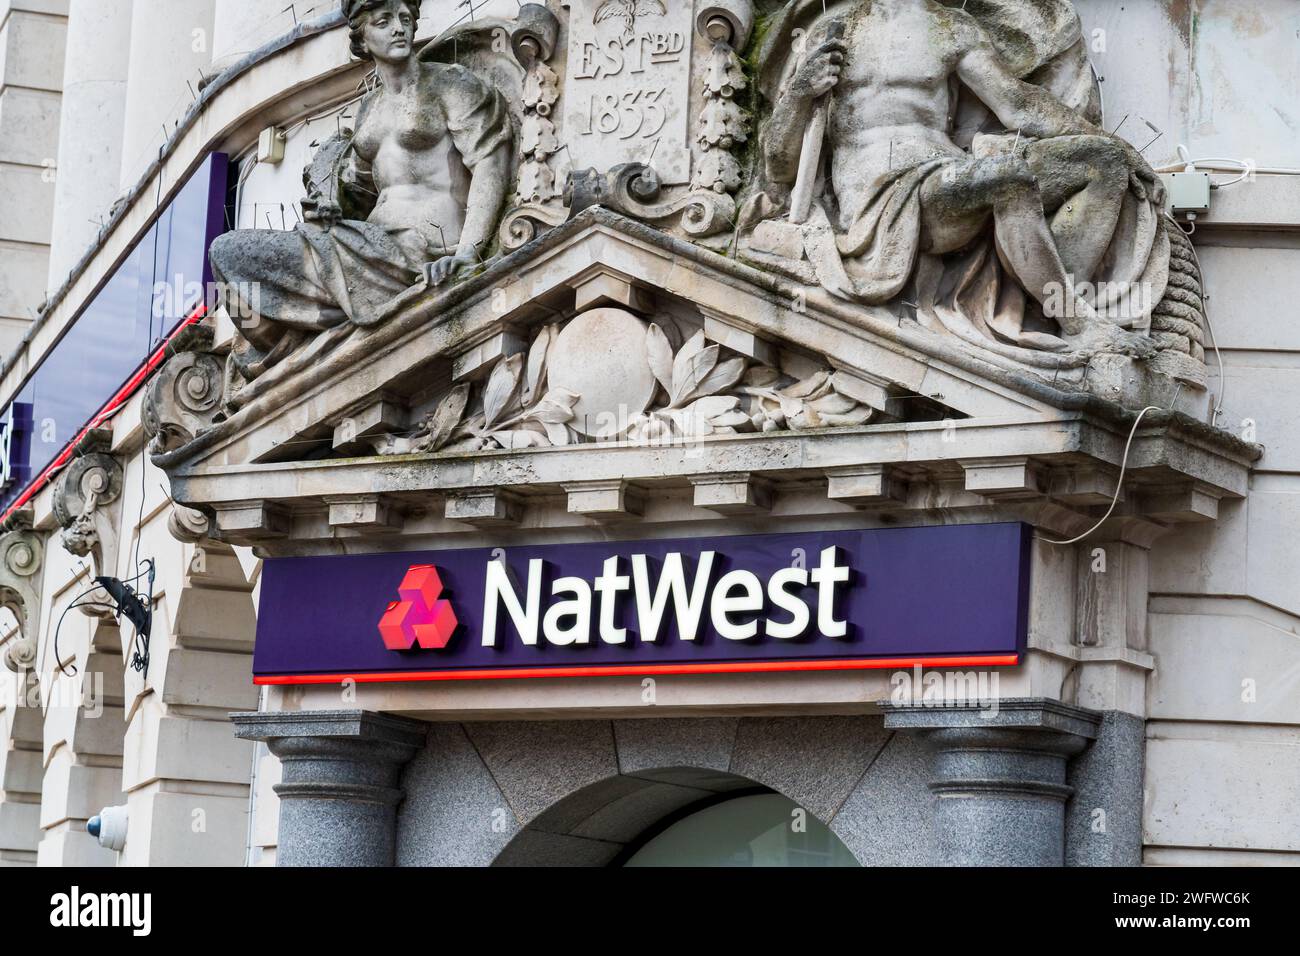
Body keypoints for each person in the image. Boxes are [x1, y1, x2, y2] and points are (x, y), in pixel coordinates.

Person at [760, 0, 1167, 354]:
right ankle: (1079, 325)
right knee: (1007, 178)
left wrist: (1116, 145)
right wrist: (799, 93)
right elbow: (778, 166)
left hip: (946, 175)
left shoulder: (951, 27)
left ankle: (1048, 301)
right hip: (881, 197)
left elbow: (1019, 106)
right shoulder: (831, 32)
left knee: (1103, 161)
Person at [209, 0, 513, 377]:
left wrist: (468, 253)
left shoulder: (450, 84)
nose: (399, 28)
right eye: (384, 21)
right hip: (367, 245)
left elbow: (489, 163)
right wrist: (333, 205)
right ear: (362, 38)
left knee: (232, 254)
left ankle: (301, 349)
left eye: (405, 18)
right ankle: (287, 354)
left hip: (421, 251)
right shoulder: (369, 108)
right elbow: (364, 193)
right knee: (228, 254)